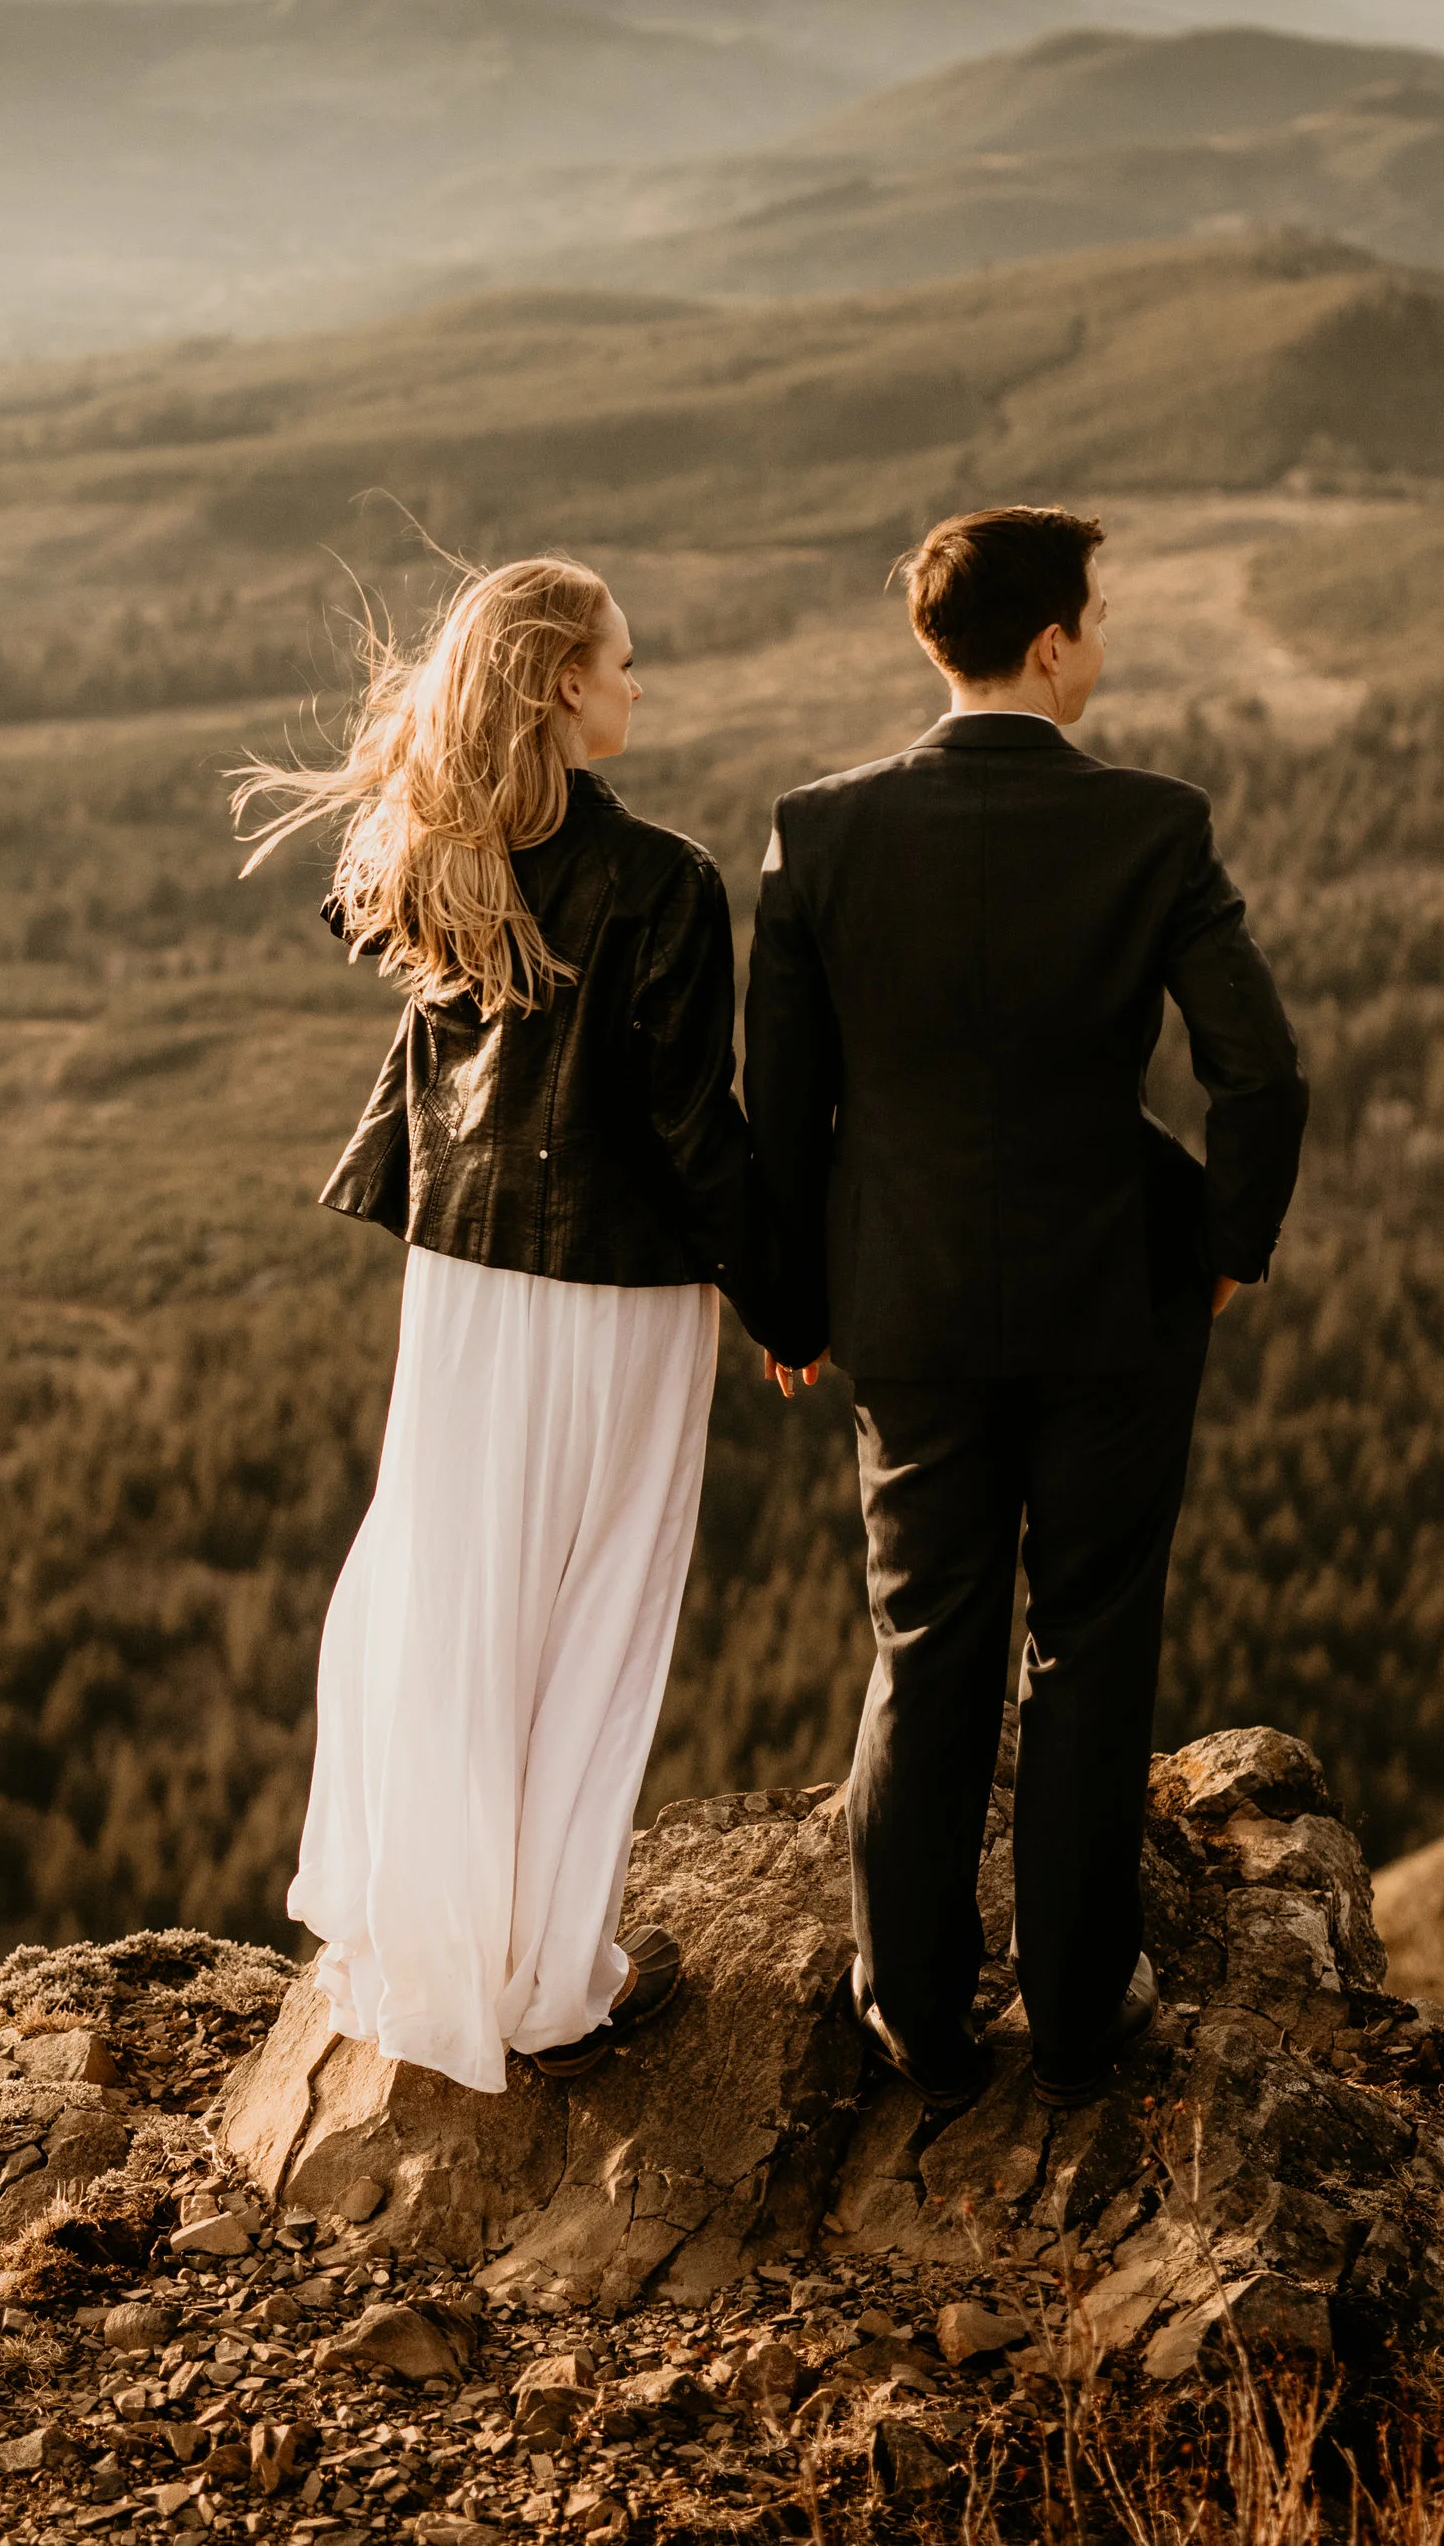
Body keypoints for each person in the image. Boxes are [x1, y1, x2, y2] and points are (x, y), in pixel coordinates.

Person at [745, 505, 1306, 2112]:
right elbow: (1261, 1069)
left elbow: (776, 1104)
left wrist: (793, 1303)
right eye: (1100, 616)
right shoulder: (1154, 824)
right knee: (1091, 1645)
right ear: (1052, 640)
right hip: (1114, 1297)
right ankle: (1075, 2010)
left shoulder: (819, 828)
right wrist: (1228, 1240)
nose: (1105, 639)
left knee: (926, 1643)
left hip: (905, 1303)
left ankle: (914, 2010)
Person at [233, 555, 816, 2095]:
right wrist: (790, 1303)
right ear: (562, 681)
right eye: (622, 658)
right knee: (590, 1619)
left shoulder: (438, 853)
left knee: (452, 1594)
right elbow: (701, 1137)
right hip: (615, 1295)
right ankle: (551, 1971)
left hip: (463, 1278)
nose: (640, 681)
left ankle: (433, 1941)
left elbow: (353, 903)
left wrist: (448, 783)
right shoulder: (666, 882)